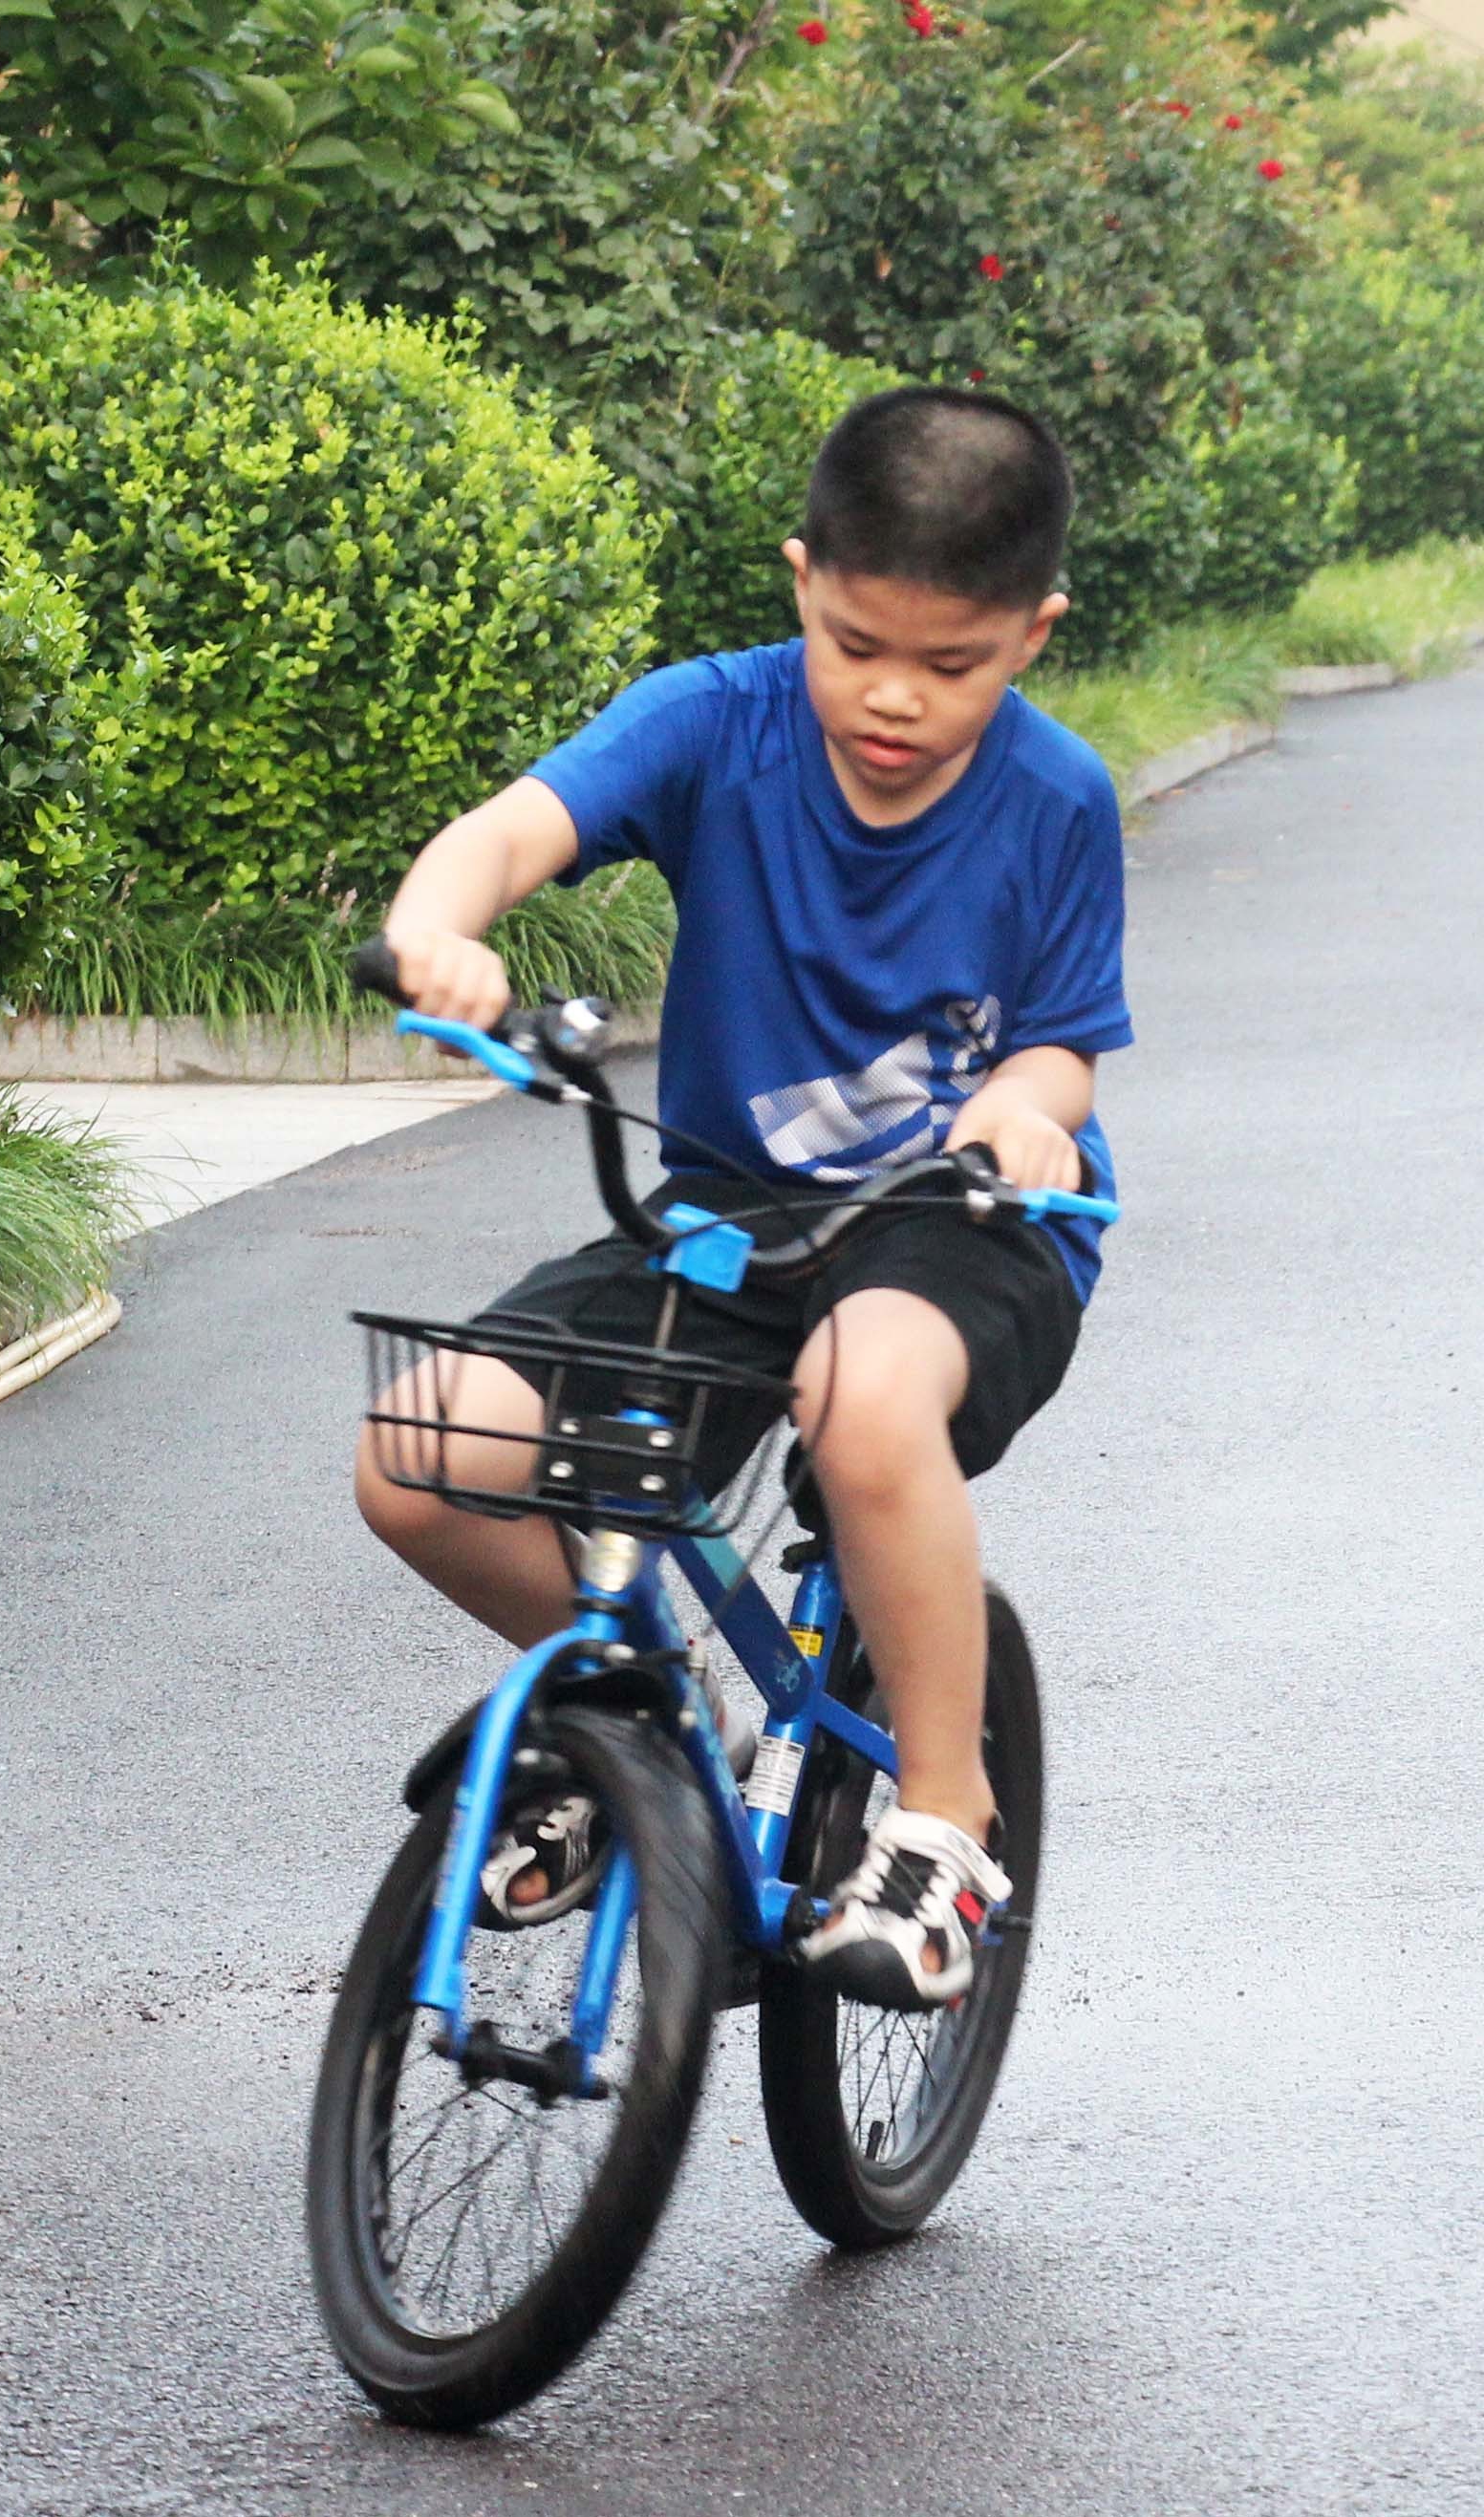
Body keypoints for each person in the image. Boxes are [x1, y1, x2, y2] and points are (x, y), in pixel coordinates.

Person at [355, 385, 1129, 2012]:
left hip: (970, 1220)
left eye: (953, 664)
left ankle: (945, 1818)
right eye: (857, 644)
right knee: (423, 1453)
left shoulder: (1056, 798)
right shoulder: (715, 721)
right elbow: (509, 832)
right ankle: (649, 1717)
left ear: (1034, 634)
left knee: (860, 1401)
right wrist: (441, 926)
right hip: (730, 1215)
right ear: (802, 583)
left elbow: (1062, 1045)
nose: (896, 696)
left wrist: (1022, 1110)